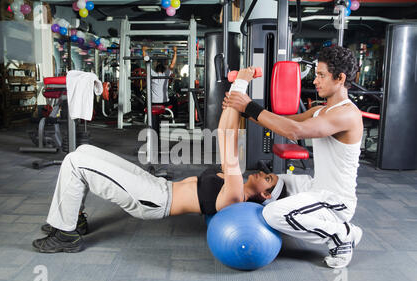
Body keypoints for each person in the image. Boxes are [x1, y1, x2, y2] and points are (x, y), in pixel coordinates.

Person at [32, 69, 288, 253]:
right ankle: (72, 219)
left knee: (76, 163)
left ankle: (66, 235)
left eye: (267, 178)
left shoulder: (235, 196)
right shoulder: (237, 183)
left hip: (152, 200)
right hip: (156, 186)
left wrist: (241, 85)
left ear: (265, 195)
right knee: (84, 151)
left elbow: (226, 138)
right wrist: (236, 101)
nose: (261, 173)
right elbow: (230, 131)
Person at [223, 46, 363, 269]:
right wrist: (244, 110)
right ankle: (309, 217)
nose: (315, 81)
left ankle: (341, 235)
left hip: (335, 200)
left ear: (340, 78)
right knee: (272, 183)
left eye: (321, 75)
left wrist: (248, 105)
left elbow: (294, 132)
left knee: (272, 214)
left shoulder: (347, 114)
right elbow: (283, 122)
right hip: (316, 187)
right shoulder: (320, 109)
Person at [142, 45, 177, 110]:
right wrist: (175, 51)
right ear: (164, 70)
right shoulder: (166, 74)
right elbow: (172, 64)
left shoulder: (152, 74)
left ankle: (146, 116)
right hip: (164, 102)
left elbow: (146, 62)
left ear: (155, 69)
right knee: (174, 100)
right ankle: (173, 117)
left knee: (146, 100)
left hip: (153, 102)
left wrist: (143, 50)